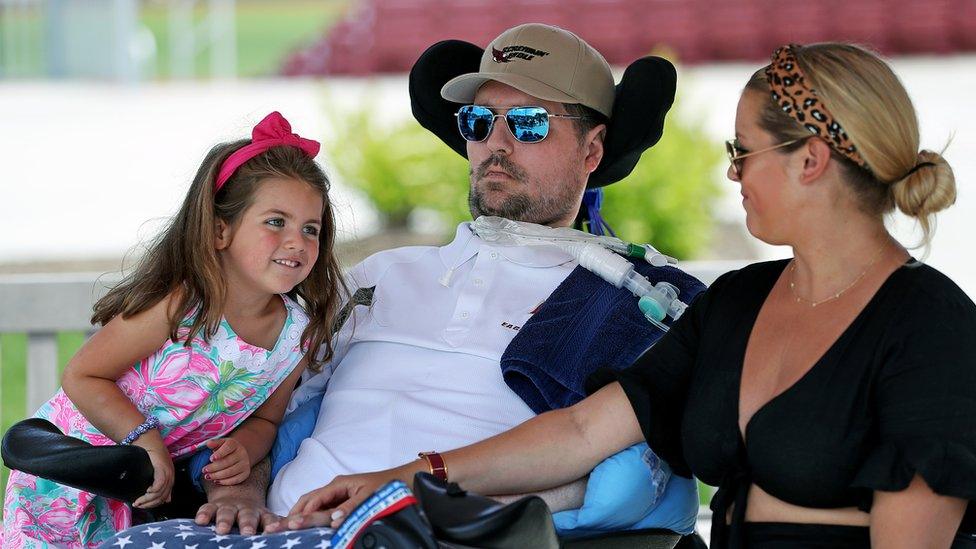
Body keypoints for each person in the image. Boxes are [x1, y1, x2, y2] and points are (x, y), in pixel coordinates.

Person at [287, 43, 976, 548]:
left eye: (742, 152)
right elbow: (583, 430)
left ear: (811, 161)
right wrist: (408, 476)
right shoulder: (737, 300)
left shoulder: (930, 326)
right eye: (480, 121)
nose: (731, 173)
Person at [171, 23, 705, 541]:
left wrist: (442, 513)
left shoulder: (624, 300)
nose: (496, 143)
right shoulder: (378, 277)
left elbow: (597, 456)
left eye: (528, 123)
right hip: (279, 532)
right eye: (478, 120)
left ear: (592, 151)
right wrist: (238, 493)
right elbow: (263, 403)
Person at [1, 111, 346, 549]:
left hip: (150, 490)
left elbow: (266, 417)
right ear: (221, 230)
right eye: (275, 222)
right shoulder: (182, 305)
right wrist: (144, 439)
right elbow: (84, 376)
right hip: (72, 472)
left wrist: (245, 448)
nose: (298, 242)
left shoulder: (297, 335)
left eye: (310, 228)